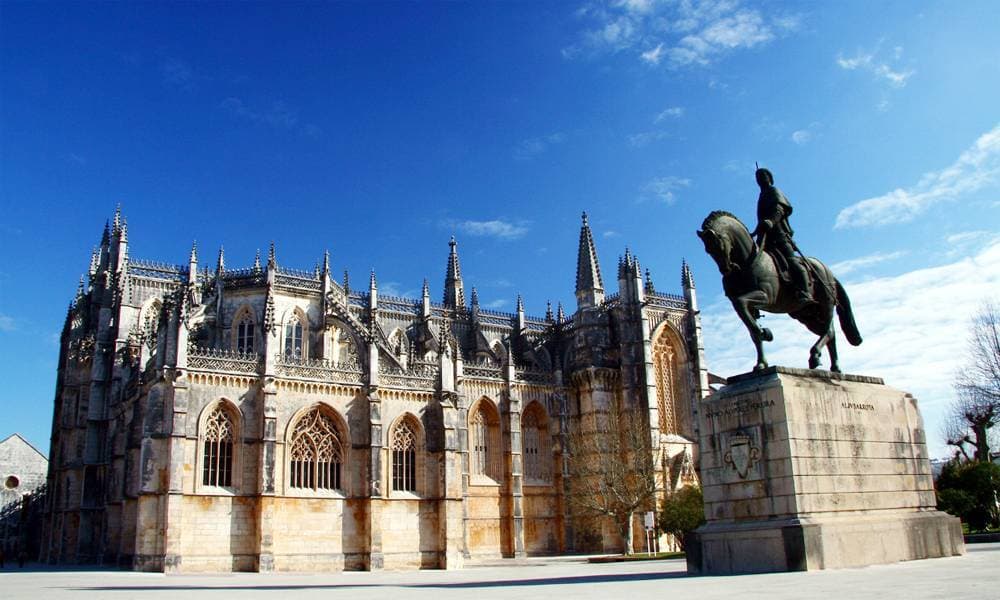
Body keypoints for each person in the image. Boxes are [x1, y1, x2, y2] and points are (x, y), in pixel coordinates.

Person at [750, 167, 813, 304]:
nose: (760, 179)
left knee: (791, 260)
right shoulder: (761, 197)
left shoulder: (774, 191)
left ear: (769, 178)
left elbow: (779, 209)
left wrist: (771, 222)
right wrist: (754, 232)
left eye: (763, 176)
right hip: (765, 237)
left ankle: (805, 291)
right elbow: (761, 221)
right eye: (758, 178)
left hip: (779, 234)